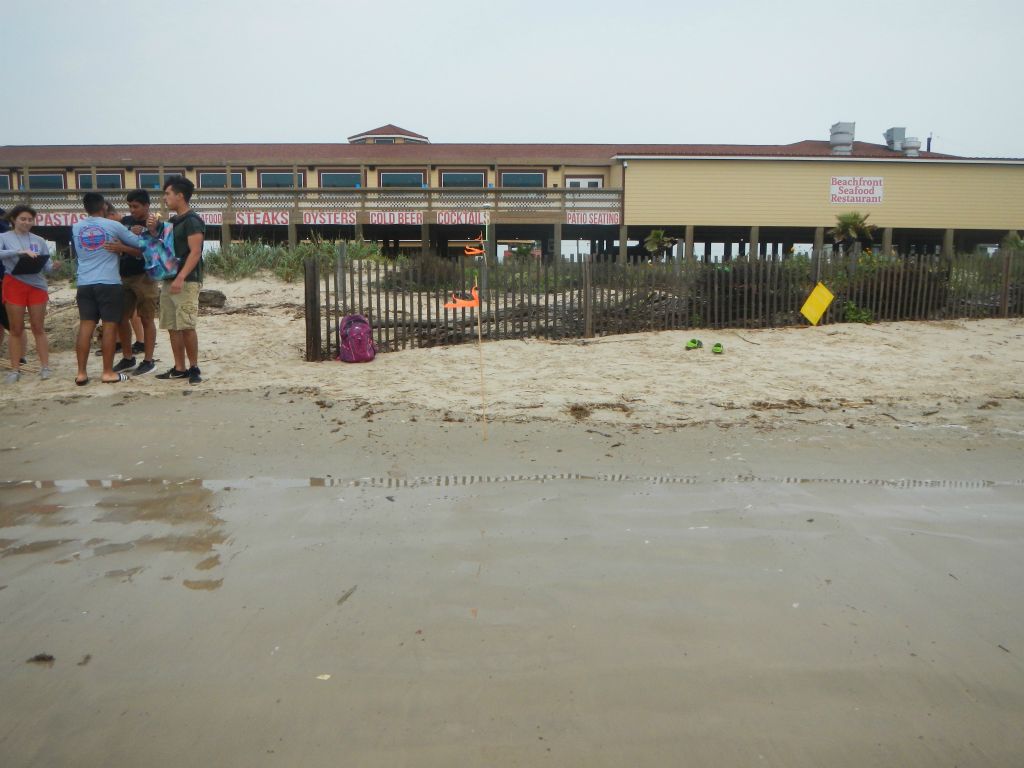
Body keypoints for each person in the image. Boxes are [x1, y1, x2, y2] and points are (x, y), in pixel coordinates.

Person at [70, 192, 146, 385]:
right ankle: (107, 372)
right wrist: (137, 232)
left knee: (86, 326)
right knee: (110, 325)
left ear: (85, 208)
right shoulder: (113, 225)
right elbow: (139, 244)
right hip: (109, 282)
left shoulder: (77, 227)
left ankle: (81, 373)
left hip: (85, 282)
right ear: (103, 206)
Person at [0, 205, 60, 383]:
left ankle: (45, 366)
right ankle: (15, 369)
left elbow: (46, 266)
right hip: (14, 284)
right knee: (16, 328)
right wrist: (19, 251)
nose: (26, 222)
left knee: (38, 327)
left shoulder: (39, 240)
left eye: (30, 219)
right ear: (14, 220)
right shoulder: (4, 237)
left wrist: (55, 267)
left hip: (37, 285)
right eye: (23, 219)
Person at [154, 176, 205, 385]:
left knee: (186, 325)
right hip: (169, 278)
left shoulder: (192, 220)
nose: (165, 198)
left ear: (180, 195)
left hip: (187, 280)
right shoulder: (173, 221)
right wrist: (151, 228)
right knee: (173, 326)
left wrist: (181, 276)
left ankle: (194, 367)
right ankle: (179, 367)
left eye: (168, 194)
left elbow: (195, 252)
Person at [105, 190, 159, 375]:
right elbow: (116, 242)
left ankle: (149, 360)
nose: (132, 210)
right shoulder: (125, 222)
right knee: (122, 317)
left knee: (146, 318)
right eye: (129, 206)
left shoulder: (154, 224)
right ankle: (128, 357)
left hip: (146, 276)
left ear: (146, 206)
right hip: (124, 275)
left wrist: (124, 247)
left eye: (135, 206)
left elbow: (151, 252)